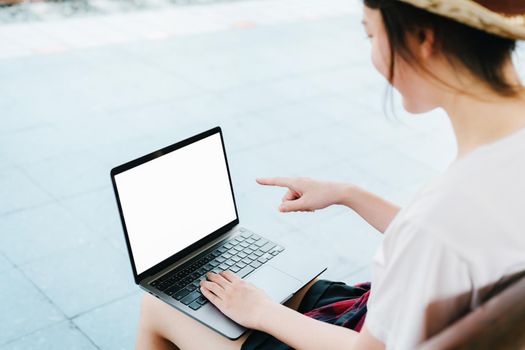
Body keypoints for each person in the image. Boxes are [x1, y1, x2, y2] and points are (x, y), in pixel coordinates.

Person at [136, 0, 525, 349]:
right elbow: (454, 248)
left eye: (371, 34)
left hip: (367, 335)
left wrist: (261, 312)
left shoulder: (436, 221)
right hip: (399, 317)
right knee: (276, 286)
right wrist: (348, 193)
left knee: (159, 307)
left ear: (423, 37)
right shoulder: (494, 169)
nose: (373, 53)